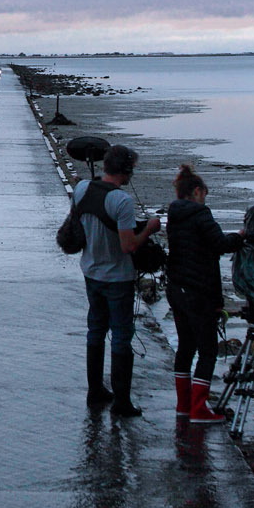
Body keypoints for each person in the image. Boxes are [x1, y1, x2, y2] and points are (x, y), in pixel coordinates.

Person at [75, 145, 162, 417]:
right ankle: (122, 403)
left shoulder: (82, 189)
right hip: (117, 277)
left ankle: (95, 391)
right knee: (122, 337)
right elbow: (128, 246)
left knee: (96, 331)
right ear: (126, 169)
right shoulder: (121, 201)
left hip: (90, 271)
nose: (132, 173)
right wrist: (149, 228)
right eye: (132, 168)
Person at [164, 164, 244, 423]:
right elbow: (219, 244)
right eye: (204, 194)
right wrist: (241, 237)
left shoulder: (174, 215)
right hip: (198, 292)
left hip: (177, 289)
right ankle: (199, 409)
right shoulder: (201, 213)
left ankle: (183, 405)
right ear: (197, 191)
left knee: (186, 347)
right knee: (208, 350)